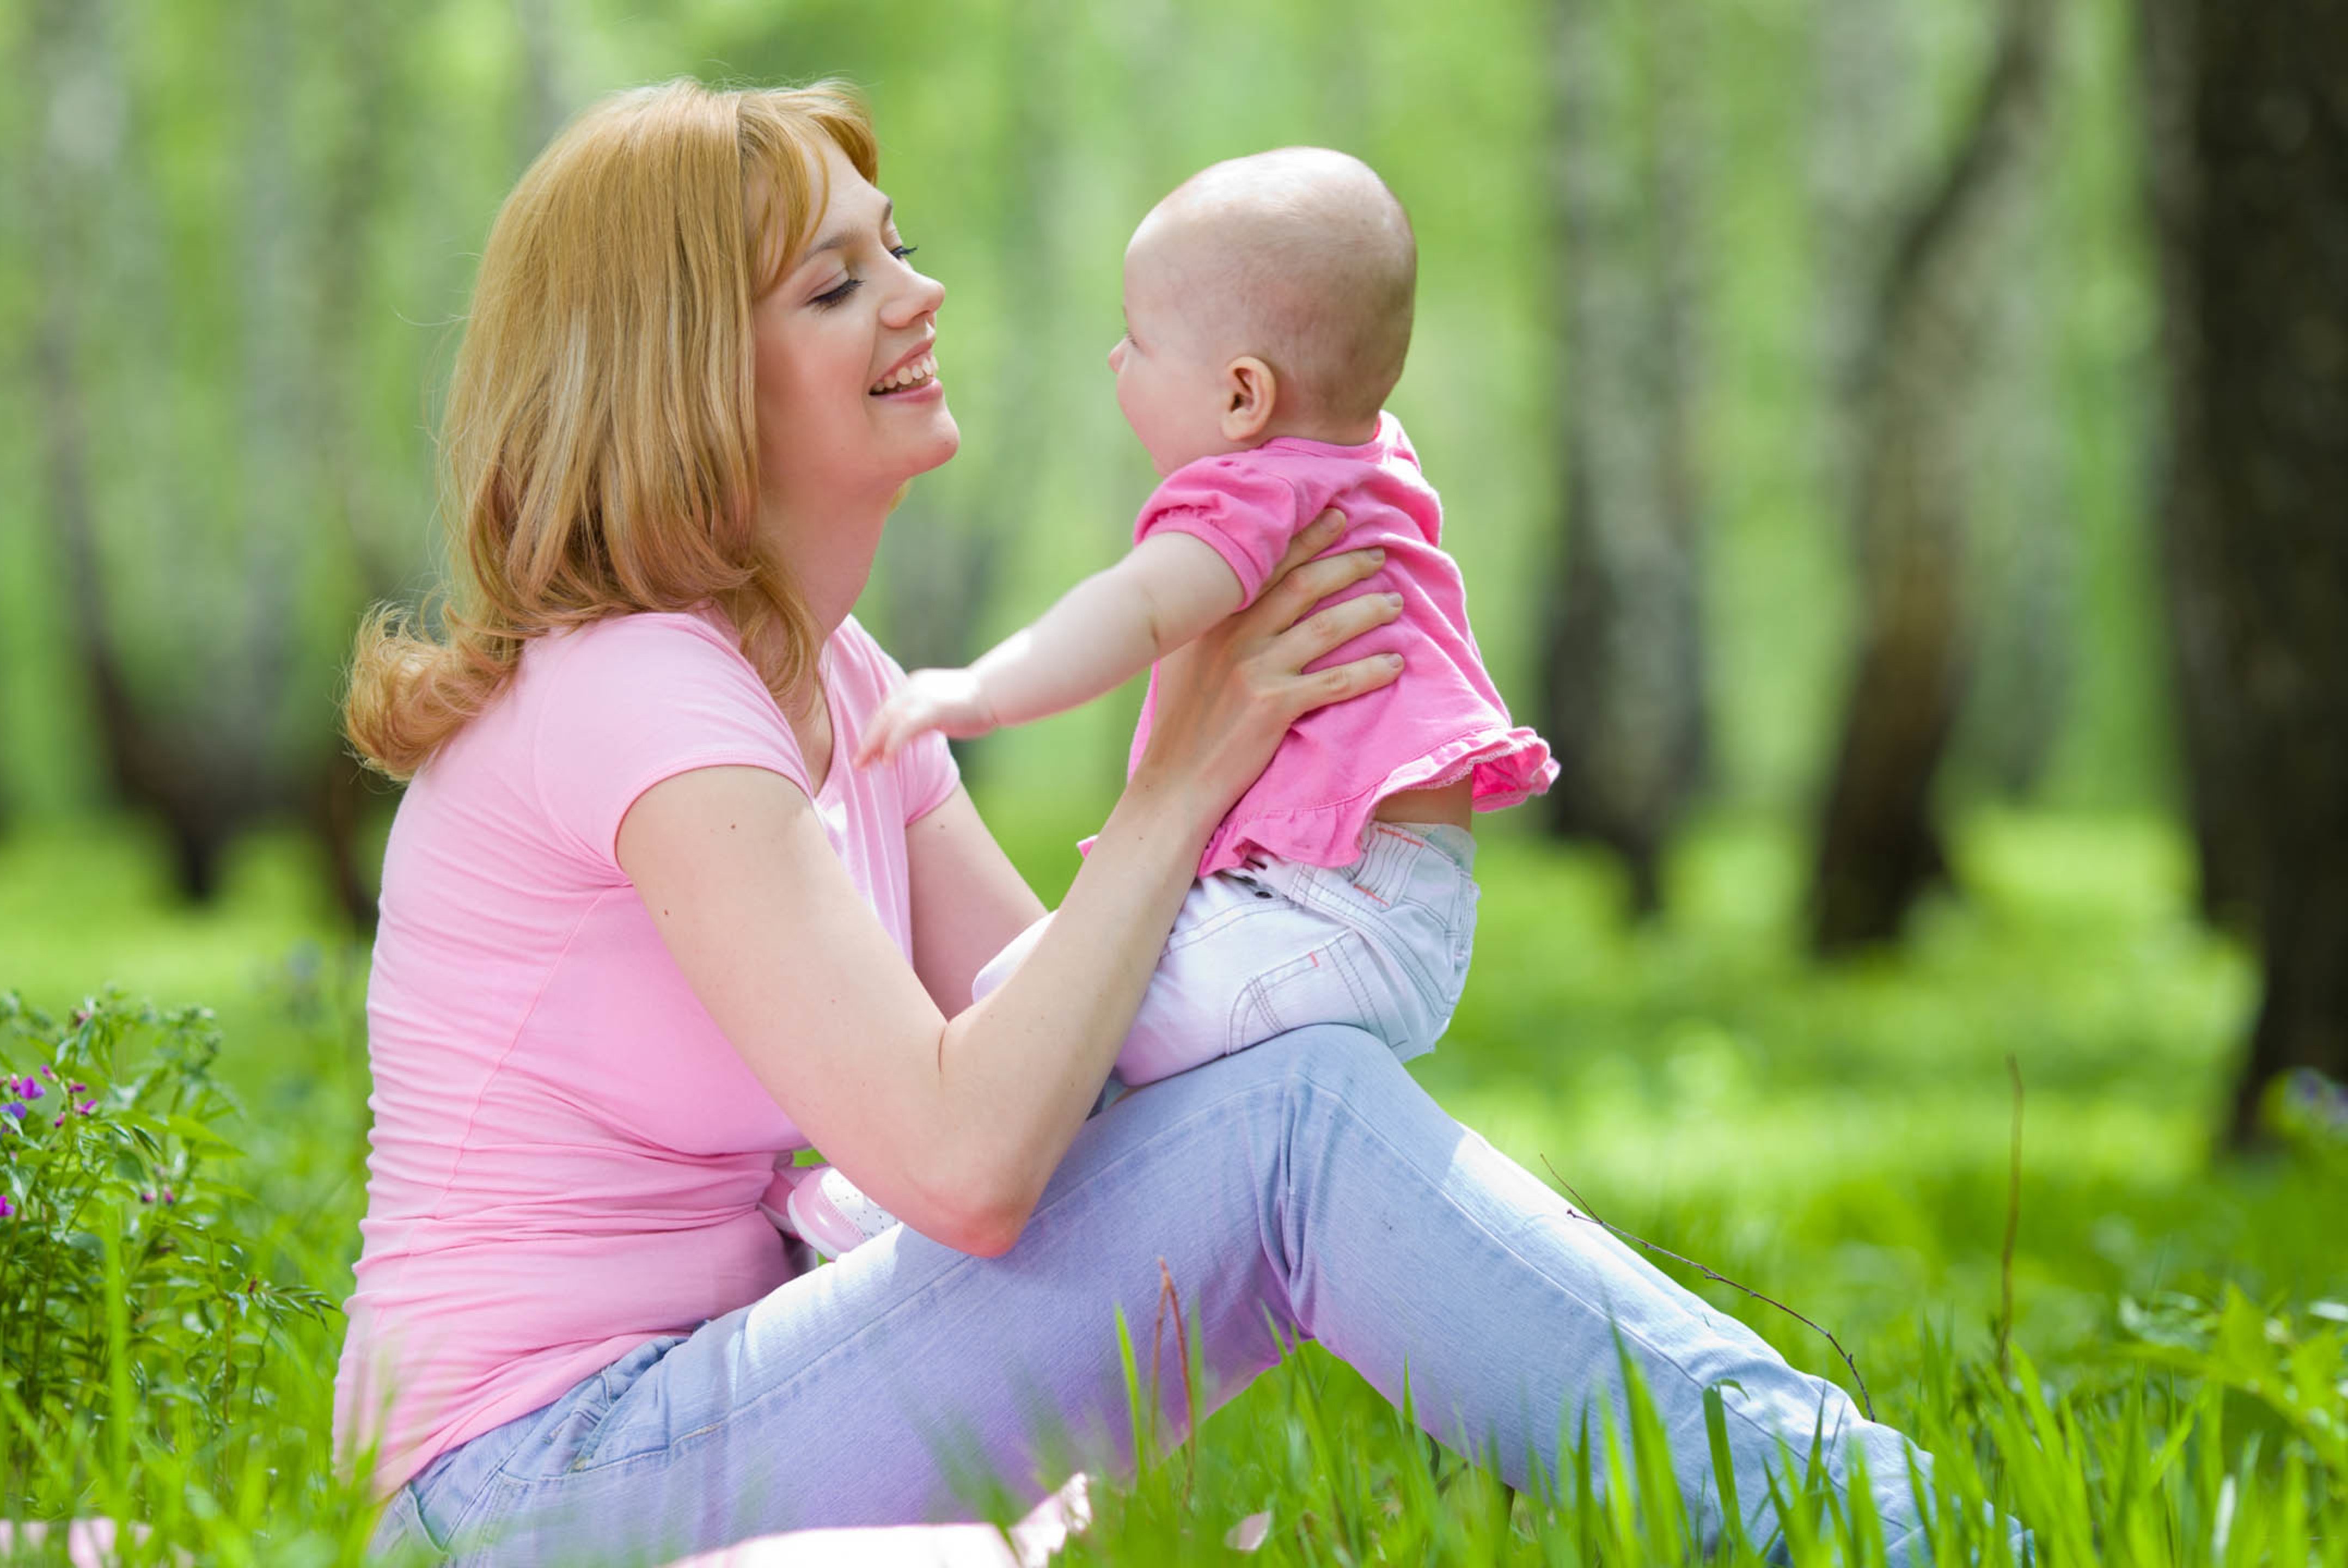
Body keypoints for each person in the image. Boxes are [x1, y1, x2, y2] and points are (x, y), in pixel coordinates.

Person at [336, 78, 1949, 1566]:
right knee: (1295, 1129)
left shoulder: (831, 677)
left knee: (1281, 1099)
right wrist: (1183, 775)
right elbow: (967, 1161)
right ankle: (1890, 1531)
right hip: (526, 1484)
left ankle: (1839, 1506)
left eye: (894, 247)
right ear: (686, 376)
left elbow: (1059, 1034)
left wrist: (1333, 817)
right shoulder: (641, 691)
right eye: (834, 286)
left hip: (692, 1410)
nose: (920, 294)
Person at [778, 148, 1552, 1258]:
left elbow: (1133, 611)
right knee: (1048, 997)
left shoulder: (1253, 494)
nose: (1114, 358)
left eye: (1137, 341)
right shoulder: (1368, 458)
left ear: (1242, 394)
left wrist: (979, 690)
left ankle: (875, 1207)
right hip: (1379, 905)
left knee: (1048, 1016)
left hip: (1331, 911)